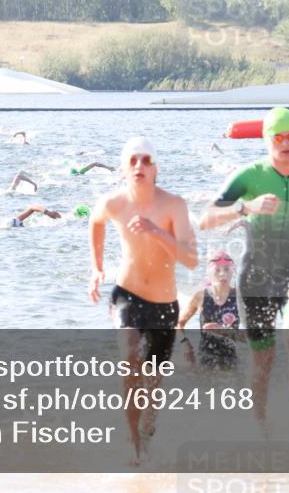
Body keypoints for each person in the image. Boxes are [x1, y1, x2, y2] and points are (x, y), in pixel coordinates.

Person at [198, 107, 289, 437]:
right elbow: (205, 219)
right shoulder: (249, 176)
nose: (286, 143)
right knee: (262, 359)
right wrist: (246, 207)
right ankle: (260, 426)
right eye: (278, 137)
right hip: (256, 278)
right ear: (267, 140)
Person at [88, 136, 198, 463]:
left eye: (146, 160)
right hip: (126, 296)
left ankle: (147, 429)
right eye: (133, 160)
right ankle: (132, 438)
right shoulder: (114, 203)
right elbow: (95, 222)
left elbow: (191, 259)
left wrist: (156, 231)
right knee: (130, 358)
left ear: (156, 169)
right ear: (123, 169)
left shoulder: (173, 205)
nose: (139, 165)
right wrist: (96, 268)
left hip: (164, 305)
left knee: (152, 381)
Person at [177, 248, 242, 371]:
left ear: (232, 271)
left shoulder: (239, 297)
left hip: (230, 361)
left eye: (226, 269)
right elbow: (179, 323)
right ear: (210, 272)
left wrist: (224, 331)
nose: (222, 274)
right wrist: (185, 344)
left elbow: (251, 335)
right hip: (205, 360)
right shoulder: (200, 296)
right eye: (217, 270)